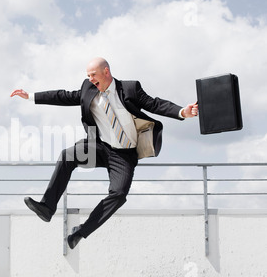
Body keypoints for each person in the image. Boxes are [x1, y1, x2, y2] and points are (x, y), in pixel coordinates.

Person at [11, 57, 198, 250]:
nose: (91, 79)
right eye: (88, 76)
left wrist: (183, 112)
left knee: (118, 195)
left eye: (93, 75)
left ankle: (81, 231)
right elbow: (64, 96)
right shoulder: (88, 88)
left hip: (124, 154)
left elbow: (155, 104)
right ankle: (47, 207)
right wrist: (31, 96)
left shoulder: (130, 88)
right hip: (98, 148)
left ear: (106, 72)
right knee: (68, 155)